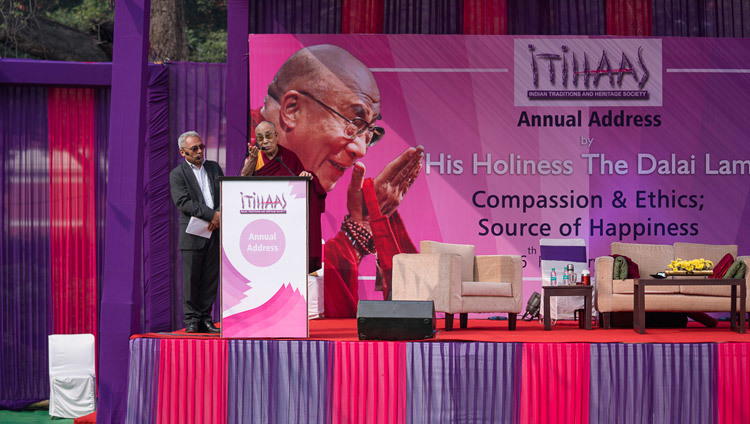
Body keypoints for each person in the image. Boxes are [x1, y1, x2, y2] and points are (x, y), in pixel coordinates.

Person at [253, 44, 424, 317]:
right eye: (354, 123)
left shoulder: (304, 175)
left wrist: (359, 229)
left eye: (369, 132)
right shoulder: (253, 160)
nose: (361, 150)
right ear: (292, 109)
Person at [241, 120, 327, 272]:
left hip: (288, 220)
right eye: (260, 138)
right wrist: (252, 161)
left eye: (268, 136)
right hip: (261, 221)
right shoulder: (255, 157)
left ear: (276, 135)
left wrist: (305, 175)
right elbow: (243, 181)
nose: (265, 141)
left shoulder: (288, 157)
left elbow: (300, 181)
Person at [169, 131, 224, 333]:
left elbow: (224, 192)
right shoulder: (177, 174)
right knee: (192, 279)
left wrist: (218, 214)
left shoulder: (213, 167)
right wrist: (212, 215)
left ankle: (206, 319)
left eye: (201, 146)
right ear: (183, 152)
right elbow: (183, 202)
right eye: (194, 148)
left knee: (210, 278)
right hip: (193, 233)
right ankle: (191, 320)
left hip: (216, 230)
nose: (200, 151)